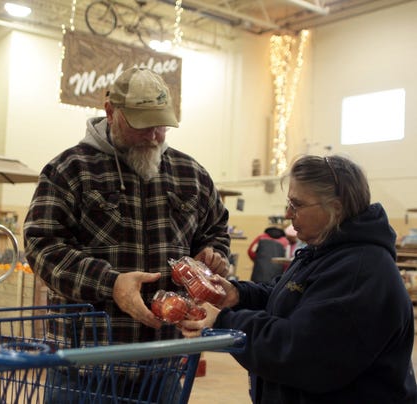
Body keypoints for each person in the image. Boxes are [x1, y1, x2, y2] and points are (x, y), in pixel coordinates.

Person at [23, 67, 231, 401]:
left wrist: (214, 255)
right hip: (85, 366)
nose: (154, 136)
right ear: (110, 112)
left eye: (161, 124)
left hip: (164, 365)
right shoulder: (69, 170)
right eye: (142, 124)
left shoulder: (191, 174)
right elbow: (42, 247)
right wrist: (111, 284)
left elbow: (216, 230)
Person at [180, 154, 417, 403]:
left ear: (335, 208)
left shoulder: (361, 271)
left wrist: (225, 322)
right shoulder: (325, 251)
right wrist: (238, 295)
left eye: (297, 204)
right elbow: (289, 297)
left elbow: (301, 352)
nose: (287, 214)